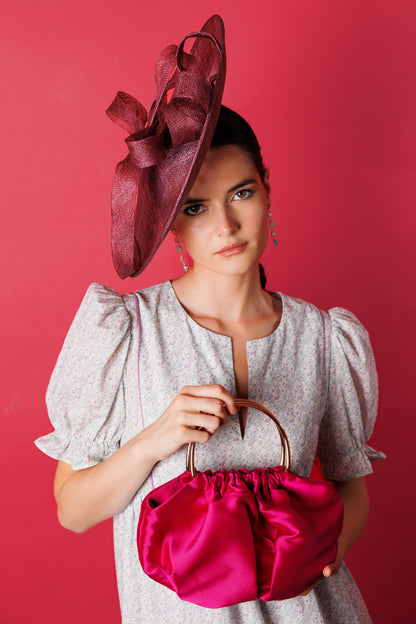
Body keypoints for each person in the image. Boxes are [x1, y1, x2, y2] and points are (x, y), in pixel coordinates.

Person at [35, 16, 384, 624]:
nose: (225, 226)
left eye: (241, 194)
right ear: (171, 222)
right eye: (196, 207)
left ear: (268, 191)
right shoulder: (128, 335)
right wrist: (157, 438)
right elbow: (73, 508)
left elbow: (352, 485)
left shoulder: (325, 340)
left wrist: (325, 555)